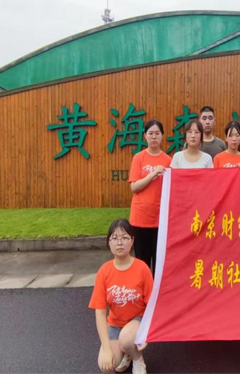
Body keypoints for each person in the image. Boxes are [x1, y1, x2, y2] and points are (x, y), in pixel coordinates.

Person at [89, 219, 153, 374]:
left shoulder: (142, 268)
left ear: (132, 241)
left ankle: (137, 358)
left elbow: (152, 305)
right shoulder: (104, 272)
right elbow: (100, 312)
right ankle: (126, 352)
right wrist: (106, 349)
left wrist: (147, 333)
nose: (119, 243)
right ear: (109, 242)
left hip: (138, 321)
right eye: (115, 238)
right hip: (115, 325)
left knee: (127, 339)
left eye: (124, 238)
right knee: (106, 364)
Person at [129, 120, 171, 273]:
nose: (154, 137)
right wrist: (153, 174)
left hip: (160, 220)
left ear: (162, 136)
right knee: (142, 263)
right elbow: (134, 187)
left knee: (159, 264)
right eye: (151, 133)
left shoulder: (168, 160)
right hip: (140, 219)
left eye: (157, 133)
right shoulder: (138, 158)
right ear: (145, 136)